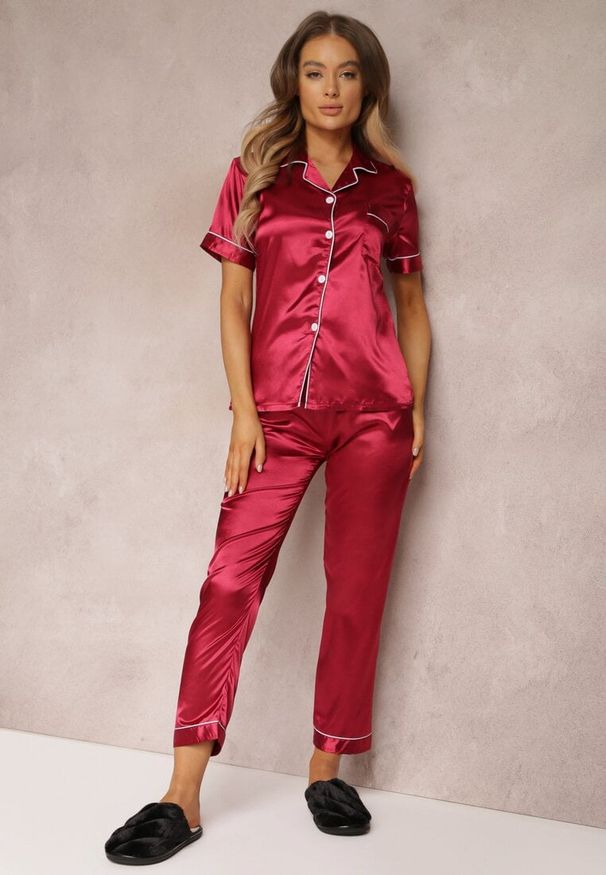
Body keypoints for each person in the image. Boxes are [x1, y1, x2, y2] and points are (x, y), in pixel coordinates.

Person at [105, 10, 431, 865]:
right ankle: (180, 794)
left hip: (374, 414)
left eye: (348, 72)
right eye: (316, 71)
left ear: (368, 85)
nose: (331, 88)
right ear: (294, 81)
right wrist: (245, 411)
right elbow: (233, 299)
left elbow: (412, 306)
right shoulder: (255, 176)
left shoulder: (392, 188)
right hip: (277, 414)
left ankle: (328, 771)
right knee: (227, 582)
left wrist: (418, 409)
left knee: (356, 588)